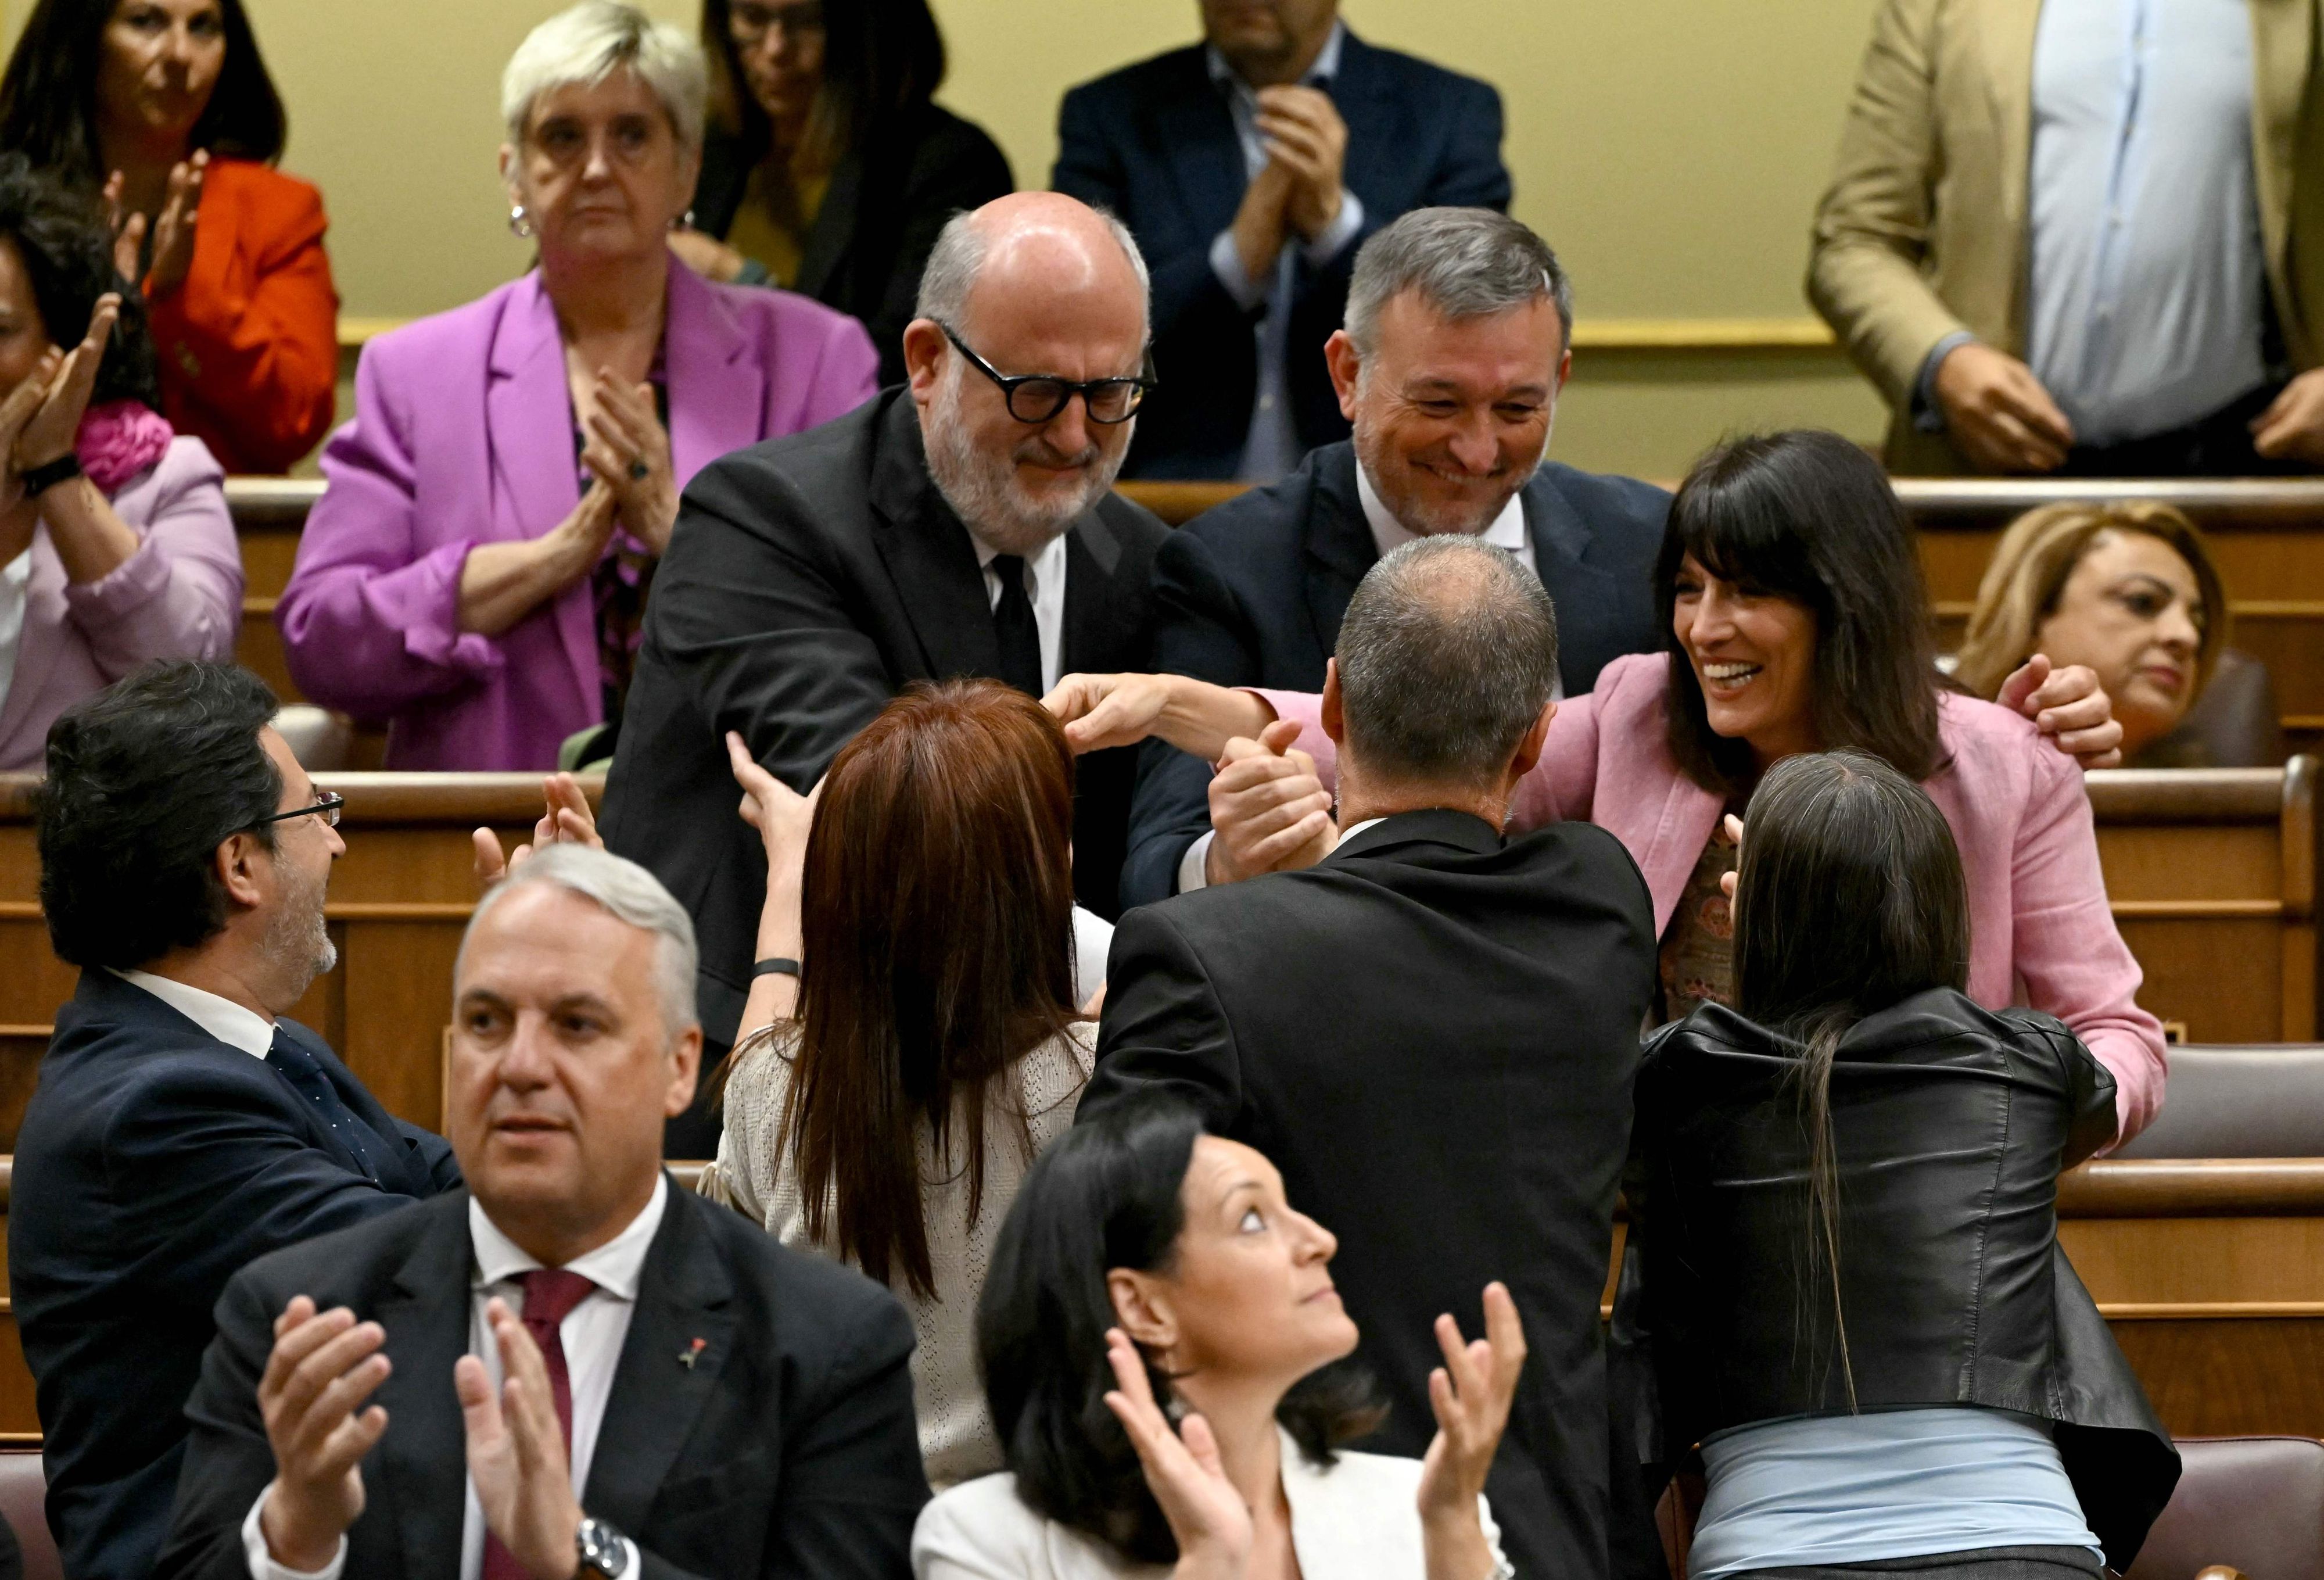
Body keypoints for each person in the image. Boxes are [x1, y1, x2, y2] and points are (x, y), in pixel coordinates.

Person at [1061, 431, 2168, 1147]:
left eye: (1748, 594)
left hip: (1918, 1201)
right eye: (1688, 589)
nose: (1704, 628)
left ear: (1845, 602)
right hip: (1667, 1207)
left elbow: (2116, 1033)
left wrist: (2017, 1113)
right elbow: (1418, 736)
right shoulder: (1641, 713)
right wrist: (1174, 704)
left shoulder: (2005, 764)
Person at [1075, 536, 1656, 1580]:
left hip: (1307, 1532)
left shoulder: (1205, 949)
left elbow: (1098, 1242)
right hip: (1562, 1525)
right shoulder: (1601, 902)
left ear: (1333, 707)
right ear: (1534, 740)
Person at [157, 844, 934, 1579]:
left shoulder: (822, 1345)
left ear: (680, 1063)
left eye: (576, 1024)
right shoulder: (304, 1319)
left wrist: (586, 1555)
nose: (521, 1066)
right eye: (489, 1022)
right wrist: (295, 1532)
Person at [600, 191, 1167, 1107]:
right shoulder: (761, 522)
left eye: (1110, 394)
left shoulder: (1141, 564)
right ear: (928, 360)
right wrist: (1150, 973)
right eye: (1036, 393)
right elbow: (898, 820)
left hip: (1045, 1092)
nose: (1074, 437)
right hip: (768, 1082)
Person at [276, 0, 879, 772]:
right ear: (514, 175)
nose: (597, 167)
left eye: (632, 135)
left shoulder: (817, 357)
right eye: (562, 136)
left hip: (750, 832)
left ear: (688, 167)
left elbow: (870, 626)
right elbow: (321, 641)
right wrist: (540, 563)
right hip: (498, 845)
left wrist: (681, 534)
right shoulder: (416, 373)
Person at [1623, 749, 2180, 1580]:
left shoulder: (1675, 1076)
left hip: (1774, 1558)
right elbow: (2097, 1103)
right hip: (2026, 1551)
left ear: (1750, 916)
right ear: (1943, 907)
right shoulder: (2032, 1063)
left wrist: (1770, 954)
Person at [9, 662, 460, 1580]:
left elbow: (455, 1185)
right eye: (314, 810)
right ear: (239, 863)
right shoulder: (151, 1112)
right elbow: (435, 1265)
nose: (336, 841)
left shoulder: (262, 1044)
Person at [1120, 206, 1668, 906]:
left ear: (1559, 380)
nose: (1477, 450)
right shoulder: (1230, 569)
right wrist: (1226, 861)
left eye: (1516, 410)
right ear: (1347, 374)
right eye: (1440, 404)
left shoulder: (1646, 543)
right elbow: (1155, 863)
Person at [705, 679, 1096, 1489]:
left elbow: (766, 1057)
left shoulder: (772, 1089)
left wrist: (789, 886)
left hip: (826, 1530)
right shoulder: (1105, 1078)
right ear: (1036, 882)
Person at [914, 1095, 1522, 1579]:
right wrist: (1208, 1564)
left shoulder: (1414, 1503)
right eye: (1253, 1218)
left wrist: (1450, 1530)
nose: (1319, 1239)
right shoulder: (986, 1541)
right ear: (1143, 1306)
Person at [1808, 0, 2324, 476]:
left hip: (2247, 468)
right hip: (1990, 467)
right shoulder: (1941, 8)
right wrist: (1941, 363)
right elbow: (1855, 239)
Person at [1054, 0, 1511, 481]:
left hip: (1378, 494)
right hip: (1163, 502)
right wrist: (1237, 258)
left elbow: (1467, 324)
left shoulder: (1450, 113)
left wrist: (1335, 229)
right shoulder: (1109, 115)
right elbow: (1079, 331)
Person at [0, 0, 337, 474]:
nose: (181, 53)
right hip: (26, 514)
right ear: (82, 39)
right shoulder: (10, 204)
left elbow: (293, 420)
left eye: (203, 27)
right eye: (146, 22)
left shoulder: (278, 210)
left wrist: (182, 298)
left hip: (218, 526)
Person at [0, 154, 239, 769]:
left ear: (70, 342)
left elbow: (191, 689)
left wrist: (53, 471)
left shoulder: (164, 479)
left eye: (0, 330)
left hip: (86, 860)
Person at [673, 0, 1013, 384]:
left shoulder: (949, 165)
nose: (775, 48)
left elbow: (906, 370)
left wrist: (735, 275)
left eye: (807, 21)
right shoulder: (713, 145)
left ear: (869, 31)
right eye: (752, 17)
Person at [1954, 500, 2279, 767]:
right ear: (2034, 622)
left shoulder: (2215, 812)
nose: (2187, 637)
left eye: (2199, 623)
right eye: (2142, 601)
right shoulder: (1939, 773)